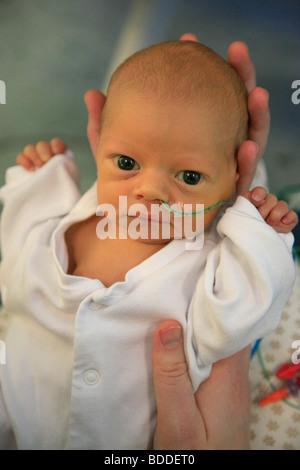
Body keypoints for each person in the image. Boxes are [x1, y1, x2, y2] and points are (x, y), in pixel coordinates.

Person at [1, 37, 297, 449]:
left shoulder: (208, 267)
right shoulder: (56, 225)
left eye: (189, 177)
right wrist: (35, 178)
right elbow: (15, 248)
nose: (150, 190)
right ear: (100, 143)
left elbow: (246, 310)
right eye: (126, 163)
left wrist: (262, 237)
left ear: (233, 181)